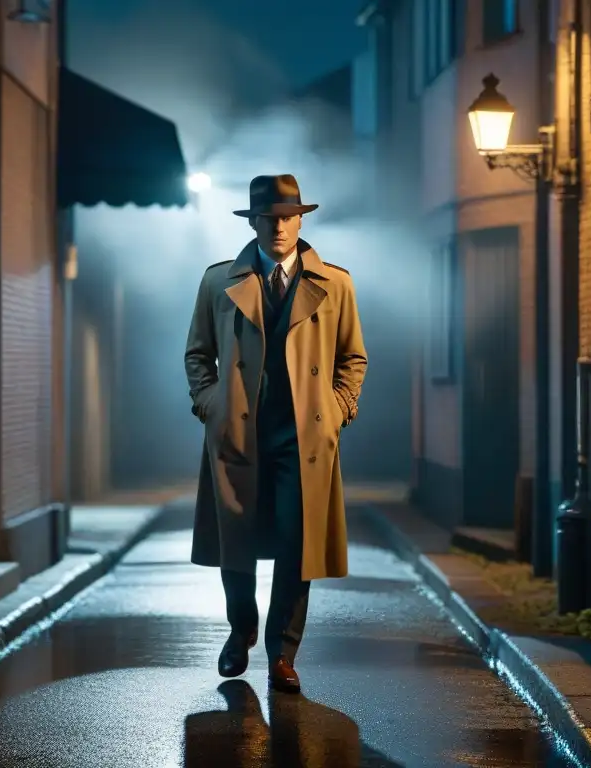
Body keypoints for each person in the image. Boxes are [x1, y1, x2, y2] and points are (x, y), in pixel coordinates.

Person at [184, 174, 368, 694]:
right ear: (255, 222)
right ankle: (240, 629)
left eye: (289, 216)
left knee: (297, 542)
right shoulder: (217, 282)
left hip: (305, 437)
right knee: (235, 539)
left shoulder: (336, 284)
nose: (280, 226)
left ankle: (282, 653)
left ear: (302, 219)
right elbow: (198, 354)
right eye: (269, 218)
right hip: (238, 432)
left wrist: (339, 409)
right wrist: (210, 403)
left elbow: (353, 357)